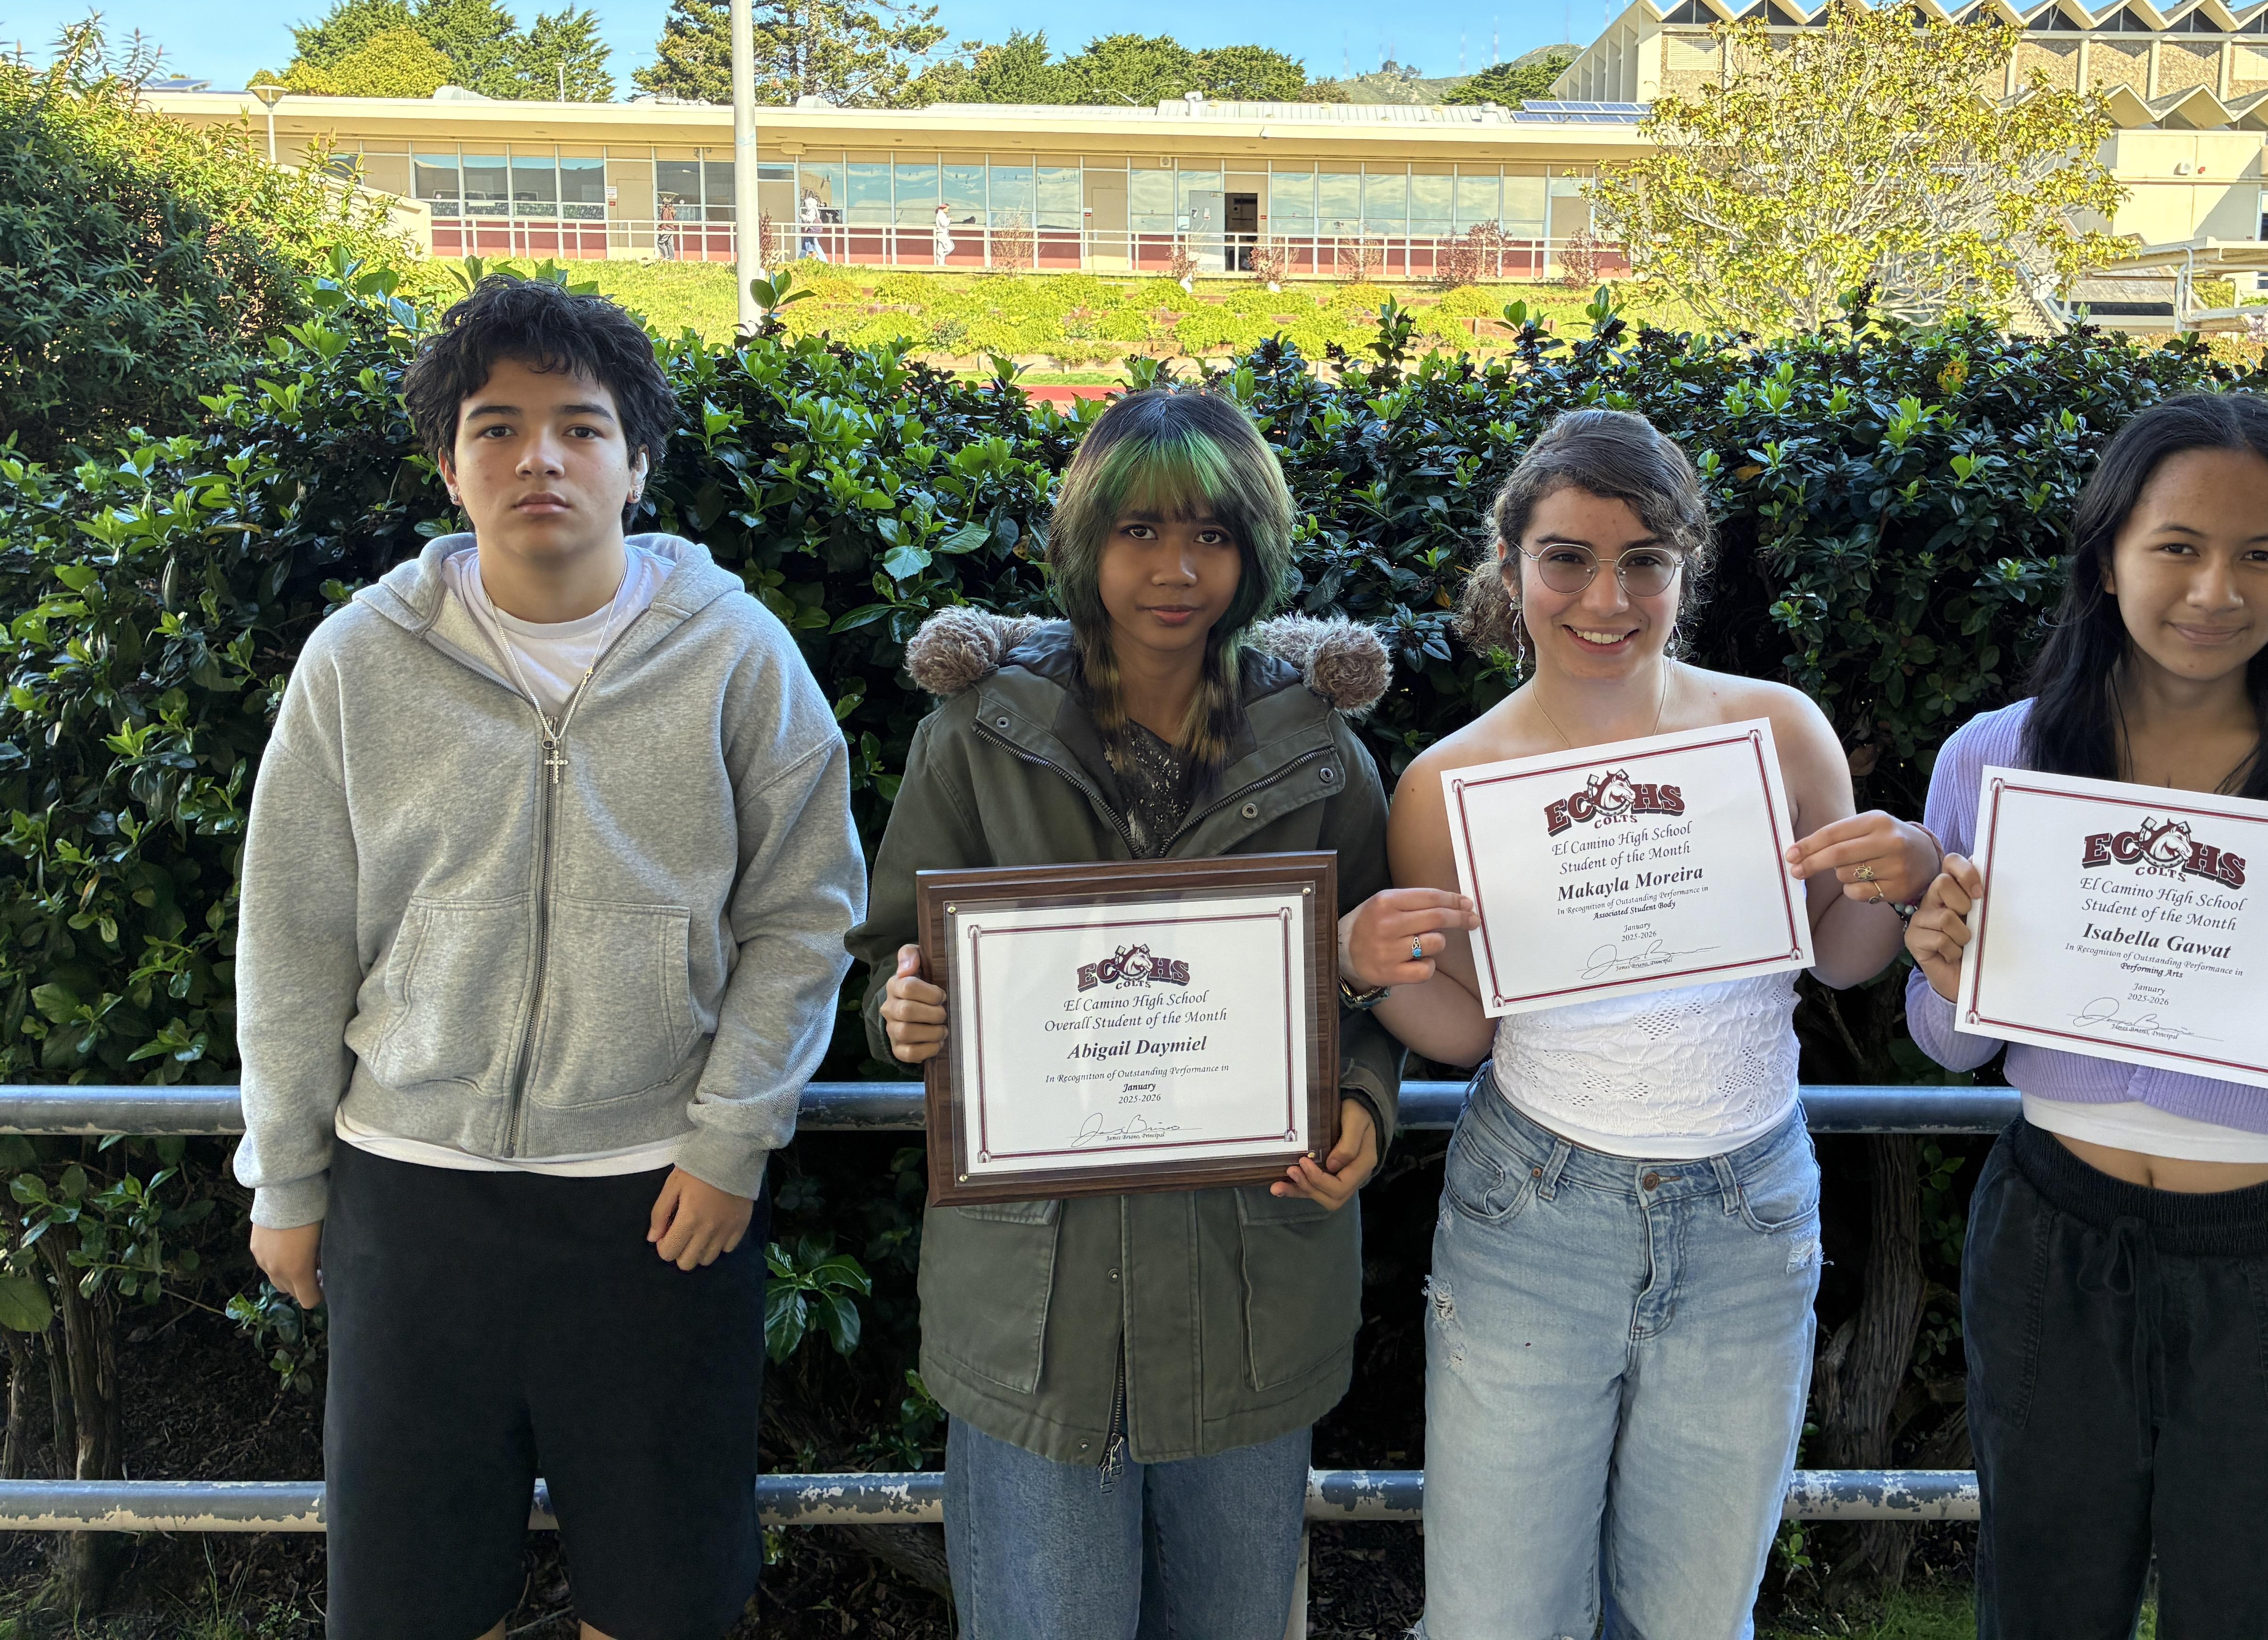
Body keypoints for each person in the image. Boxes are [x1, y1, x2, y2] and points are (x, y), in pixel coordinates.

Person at [235, 276, 867, 1640]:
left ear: (637, 462)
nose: (541, 458)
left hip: (659, 1202)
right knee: (412, 1602)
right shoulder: (357, 661)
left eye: (582, 426)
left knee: (659, 1601)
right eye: (498, 427)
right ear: (447, 462)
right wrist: (286, 1173)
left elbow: (807, 912)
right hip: (409, 1192)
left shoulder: (738, 654)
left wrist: (732, 1140)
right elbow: (291, 933)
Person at [1340, 408, 1944, 1640]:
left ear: (1686, 568)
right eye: (1566, 558)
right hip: (1534, 1213)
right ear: (1511, 564)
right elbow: (1464, 1032)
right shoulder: (1447, 784)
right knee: (1496, 1620)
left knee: (1693, 1618)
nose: (1605, 598)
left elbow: (1840, 958)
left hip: (1746, 1213)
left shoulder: (1779, 732)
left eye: (1644, 562)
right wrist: (1364, 969)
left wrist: (1906, 874)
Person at [1902, 389, 2268, 1640]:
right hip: (2053, 1236)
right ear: (2109, 557)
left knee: (2267, 1610)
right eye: (2177, 546)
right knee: (2042, 1604)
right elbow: (1955, 1045)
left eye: (2262, 554)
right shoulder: (1997, 759)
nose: (2216, 589)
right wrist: (1942, 974)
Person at [853, 387, 1405, 1640]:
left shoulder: (1320, 747)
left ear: (1253, 551)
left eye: (1212, 535)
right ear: (1084, 541)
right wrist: (904, 1011)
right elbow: (893, 952)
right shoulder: (977, 735)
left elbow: (1379, 979)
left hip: (1250, 1290)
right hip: (1037, 1308)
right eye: (1140, 531)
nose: (1176, 569)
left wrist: (1366, 1102)